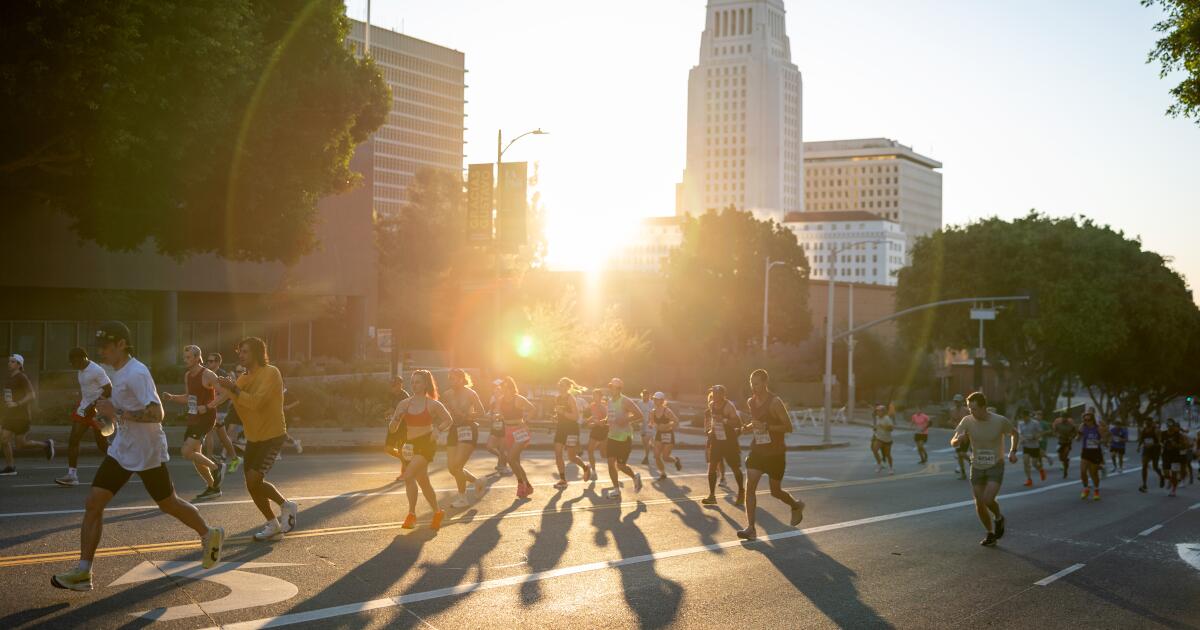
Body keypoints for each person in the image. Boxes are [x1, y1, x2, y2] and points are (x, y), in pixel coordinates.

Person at [52, 322, 223, 591]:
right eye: (100, 347)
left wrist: (118, 413)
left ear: (121, 344)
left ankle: (209, 533)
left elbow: (157, 413)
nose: (102, 352)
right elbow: (119, 411)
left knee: (169, 504)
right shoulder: (112, 371)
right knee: (93, 503)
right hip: (122, 447)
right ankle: (84, 572)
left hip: (147, 449)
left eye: (106, 347)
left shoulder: (137, 372)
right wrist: (106, 417)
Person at [215, 337, 298, 542]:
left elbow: (256, 403)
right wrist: (210, 407)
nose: (241, 355)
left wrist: (234, 389)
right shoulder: (244, 378)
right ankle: (273, 523)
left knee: (254, 479)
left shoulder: (271, 373)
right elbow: (235, 401)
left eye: (245, 352)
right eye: (240, 352)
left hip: (272, 435)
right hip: (254, 436)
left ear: (257, 353)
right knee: (252, 484)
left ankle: (286, 505)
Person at [736, 369, 804, 540]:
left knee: (775, 491)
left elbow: (788, 427)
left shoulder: (775, 402)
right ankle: (751, 528)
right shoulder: (751, 402)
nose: (753, 386)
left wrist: (767, 427)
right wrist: (748, 427)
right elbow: (756, 421)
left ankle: (795, 505)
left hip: (775, 453)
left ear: (765, 383)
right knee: (750, 487)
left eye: (756, 383)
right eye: (751, 383)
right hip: (758, 450)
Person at [950, 391, 1018, 547]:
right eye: (969, 408)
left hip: (995, 464)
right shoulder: (967, 420)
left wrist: (1013, 451)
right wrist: (957, 440)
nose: (971, 412)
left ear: (984, 407)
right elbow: (953, 441)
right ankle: (990, 533)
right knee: (979, 503)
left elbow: (1015, 434)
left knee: (988, 499)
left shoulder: (1000, 421)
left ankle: (999, 517)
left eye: (974, 409)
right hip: (977, 466)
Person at [160, 345, 226, 500]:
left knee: (186, 452)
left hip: (205, 418)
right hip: (193, 417)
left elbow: (225, 393)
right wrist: (172, 397)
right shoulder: (188, 375)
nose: (186, 360)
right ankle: (213, 487)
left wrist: (207, 406)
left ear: (197, 358)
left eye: (189, 357)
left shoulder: (208, 374)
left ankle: (217, 467)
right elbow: (188, 397)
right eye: (185, 357)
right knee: (196, 455)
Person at [389, 369, 451, 529]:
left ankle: (411, 515)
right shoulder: (404, 404)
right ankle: (438, 512)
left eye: (418, 382)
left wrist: (437, 430)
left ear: (425, 384)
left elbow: (448, 420)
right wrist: (397, 418)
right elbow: (392, 429)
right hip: (410, 445)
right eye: (413, 382)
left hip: (426, 444)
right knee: (423, 482)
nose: (414, 385)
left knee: (408, 476)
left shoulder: (433, 404)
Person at [55, 348, 112, 486]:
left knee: (102, 445)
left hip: (99, 410)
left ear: (83, 358)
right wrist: (81, 403)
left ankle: (125, 464)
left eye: (74, 362)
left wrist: (93, 405)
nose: (74, 366)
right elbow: (86, 390)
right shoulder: (80, 370)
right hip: (84, 408)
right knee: (73, 439)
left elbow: (109, 389)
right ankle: (72, 475)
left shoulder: (96, 370)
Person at [0, 354, 55, 476]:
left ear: (19, 365)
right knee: (4, 439)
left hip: (21, 416)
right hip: (9, 416)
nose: (9, 363)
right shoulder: (9, 378)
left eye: (13, 362)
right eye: (9, 361)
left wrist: (17, 403)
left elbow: (32, 395)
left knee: (21, 444)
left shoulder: (22, 377)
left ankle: (46, 444)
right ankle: (10, 467)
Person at [443, 368, 487, 507]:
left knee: (457, 466)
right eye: (450, 378)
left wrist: (467, 416)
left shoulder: (471, 393)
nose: (451, 381)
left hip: (468, 429)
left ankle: (463, 498)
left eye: (454, 378)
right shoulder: (447, 394)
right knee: (451, 468)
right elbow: (444, 412)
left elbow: (481, 411)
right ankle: (477, 482)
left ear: (462, 379)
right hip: (454, 429)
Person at [701, 385, 744, 506]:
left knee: (735, 467)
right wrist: (710, 430)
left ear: (722, 395)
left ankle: (741, 492)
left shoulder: (729, 406)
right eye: (713, 393)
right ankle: (711, 496)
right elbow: (712, 421)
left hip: (729, 441)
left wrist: (724, 420)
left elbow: (738, 423)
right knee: (712, 467)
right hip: (717, 440)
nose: (713, 395)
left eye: (716, 393)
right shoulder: (711, 405)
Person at [602, 377, 644, 499]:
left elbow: (639, 415)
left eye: (612, 387)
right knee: (610, 464)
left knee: (620, 466)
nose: (610, 389)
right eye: (609, 386)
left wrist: (625, 419)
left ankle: (635, 477)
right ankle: (616, 490)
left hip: (624, 438)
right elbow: (610, 416)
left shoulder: (626, 401)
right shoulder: (609, 401)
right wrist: (603, 421)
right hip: (612, 437)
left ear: (619, 389)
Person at [495, 376, 537, 497]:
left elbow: (533, 409)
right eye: (503, 387)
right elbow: (498, 413)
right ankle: (528, 485)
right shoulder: (500, 400)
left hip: (520, 430)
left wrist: (526, 420)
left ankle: (520, 484)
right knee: (516, 462)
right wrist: (497, 416)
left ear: (512, 387)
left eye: (507, 387)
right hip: (508, 431)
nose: (504, 389)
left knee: (510, 459)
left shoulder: (518, 399)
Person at [201, 352, 241, 473]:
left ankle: (209, 460)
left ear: (218, 363)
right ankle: (234, 458)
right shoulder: (207, 374)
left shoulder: (223, 375)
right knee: (223, 437)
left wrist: (216, 399)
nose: (209, 363)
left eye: (212, 361)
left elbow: (230, 393)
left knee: (209, 433)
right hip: (211, 408)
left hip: (219, 410)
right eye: (208, 361)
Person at [551, 377, 591, 489]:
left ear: (568, 387)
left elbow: (575, 417)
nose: (560, 387)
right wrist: (555, 417)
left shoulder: (570, 398)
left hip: (571, 430)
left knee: (571, 457)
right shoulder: (557, 398)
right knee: (557, 453)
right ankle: (563, 480)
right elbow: (559, 414)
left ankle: (585, 467)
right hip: (560, 429)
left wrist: (562, 413)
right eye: (559, 385)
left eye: (563, 385)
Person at [384, 375, 411, 483]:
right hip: (393, 425)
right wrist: (388, 414)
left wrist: (392, 411)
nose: (393, 388)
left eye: (395, 385)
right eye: (392, 386)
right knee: (388, 449)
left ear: (400, 385)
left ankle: (405, 472)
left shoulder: (404, 396)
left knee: (401, 449)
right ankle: (406, 461)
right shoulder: (391, 395)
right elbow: (390, 409)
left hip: (403, 427)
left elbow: (404, 412)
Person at [649, 392, 682, 480]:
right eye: (654, 399)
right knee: (656, 455)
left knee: (665, 457)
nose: (655, 401)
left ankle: (675, 460)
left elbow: (676, 421)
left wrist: (667, 425)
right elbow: (651, 423)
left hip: (668, 434)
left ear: (662, 400)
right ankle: (663, 473)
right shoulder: (653, 412)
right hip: (659, 434)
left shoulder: (667, 411)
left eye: (657, 399)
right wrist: (651, 425)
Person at [1076, 411, 1107, 501]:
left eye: (1089, 419)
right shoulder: (1082, 427)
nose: (1087, 421)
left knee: (1093, 473)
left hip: (1095, 452)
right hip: (1085, 451)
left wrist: (1099, 441)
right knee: (1082, 472)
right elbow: (1078, 438)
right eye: (1085, 419)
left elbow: (1104, 439)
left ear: (1092, 419)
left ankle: (1096, 490)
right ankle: (1086, 488)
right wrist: (1078, 435)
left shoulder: (1098, 428)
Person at [484, 378, 510, 476]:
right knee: (489, 447)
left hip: (504, 426)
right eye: (494, 391)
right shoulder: (493, 401)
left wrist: (501, 416)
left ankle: (502, 466)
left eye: (498, 391)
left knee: (502, 448)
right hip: (495, 426)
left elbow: (509, 414)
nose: (496, 392)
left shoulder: (505, 401)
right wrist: (490, 416)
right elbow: (490, 413)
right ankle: (504, 458)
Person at [585, 387, 609, 484]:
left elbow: (606, 421)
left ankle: (615, 462)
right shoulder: (592, 405)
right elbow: (593, 417)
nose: (594, 397)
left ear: (600, 396)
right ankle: (594, 471)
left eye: (596, 395)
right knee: (590, 450)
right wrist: (589, 421)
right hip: (595, 430)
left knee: (603, 454)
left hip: (604, 430)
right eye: (593, 395)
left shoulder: (604, 406)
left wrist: (595, 423)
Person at [1016, 410, 1045, 487]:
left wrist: (1035, 436)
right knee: (1025, 462)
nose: (1024, 418)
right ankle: (1029, 479)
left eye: (1025, 417)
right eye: (1022, 417)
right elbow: (1020, 433)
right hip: (1026, 446)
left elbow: (1041, 432)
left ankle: (1041, 470)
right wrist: (1021, 439)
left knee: (1034, 464)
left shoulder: (1035, 423)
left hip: (1035, 446)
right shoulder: (1020, 424)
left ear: (1028, 416)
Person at [1162, 419, 1189, 497]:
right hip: (1166, 455)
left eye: (1172, 426)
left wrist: (1176, 445)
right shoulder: (1163, 434)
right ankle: (1171, 481)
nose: (1171, 427)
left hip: (1176, 456)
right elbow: (1160, 442)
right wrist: (1163, 444)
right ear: (1167, 426)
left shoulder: (1179, 435)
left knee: (1174, 473)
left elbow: (1184, 446)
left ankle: (1173, 490)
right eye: (1169, 426)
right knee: (1166, 474)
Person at [1137, 413, 1164, 492]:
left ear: (1152, 422)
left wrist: (1153, 445)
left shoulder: (1156, 430)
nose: (1146, 423)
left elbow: (1160, 442)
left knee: (1155, 466)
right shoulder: (1144, 430)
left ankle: (1161, 476)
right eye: (1146, 422)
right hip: (1146, 449)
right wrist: (1139, 447)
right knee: (1144, 465)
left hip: (1155, 450)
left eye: (1148, 422)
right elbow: (1141, 439)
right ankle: (1144, 484)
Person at [870, 405, 895, 474]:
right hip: (879, 438)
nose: (878, 412)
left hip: (887, 440)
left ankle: (891, 468)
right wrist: (875, 427)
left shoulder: (887, 418)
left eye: (879, 411)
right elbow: (876, 426)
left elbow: (891, 429)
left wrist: (883, 426)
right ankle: (879, 465)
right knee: (874, 450)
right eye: (877, 411)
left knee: (888, 455)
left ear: (883, 412)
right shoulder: (877, 418)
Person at [1053, 414, 1077, 479]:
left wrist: (1071, 437)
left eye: (1065, 417)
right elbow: (1054, 431)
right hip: (1060, 442)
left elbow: (1075, 432)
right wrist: (1057, 435)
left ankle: (1065, 471)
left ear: (1067, 418)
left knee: (1065, 455)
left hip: (1067, 442)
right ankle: (1066, 461)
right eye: (1063, 417)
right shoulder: (1058, 425)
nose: (1064, 419)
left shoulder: (1071, 425)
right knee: (1061, 458)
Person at [636, 389, 655, 466]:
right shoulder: (639, 403)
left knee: (646, 440)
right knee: (644, 442)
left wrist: (652, 422)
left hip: (650, 425)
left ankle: (646, 457)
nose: (645, 397)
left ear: (649, 396)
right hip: (642, 425)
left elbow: (655, 413)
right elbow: (637, 413)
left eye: (647, 395)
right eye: (644, 395)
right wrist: (637, 422)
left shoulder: (652, 403)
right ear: (642, 395)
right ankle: (653, 448)